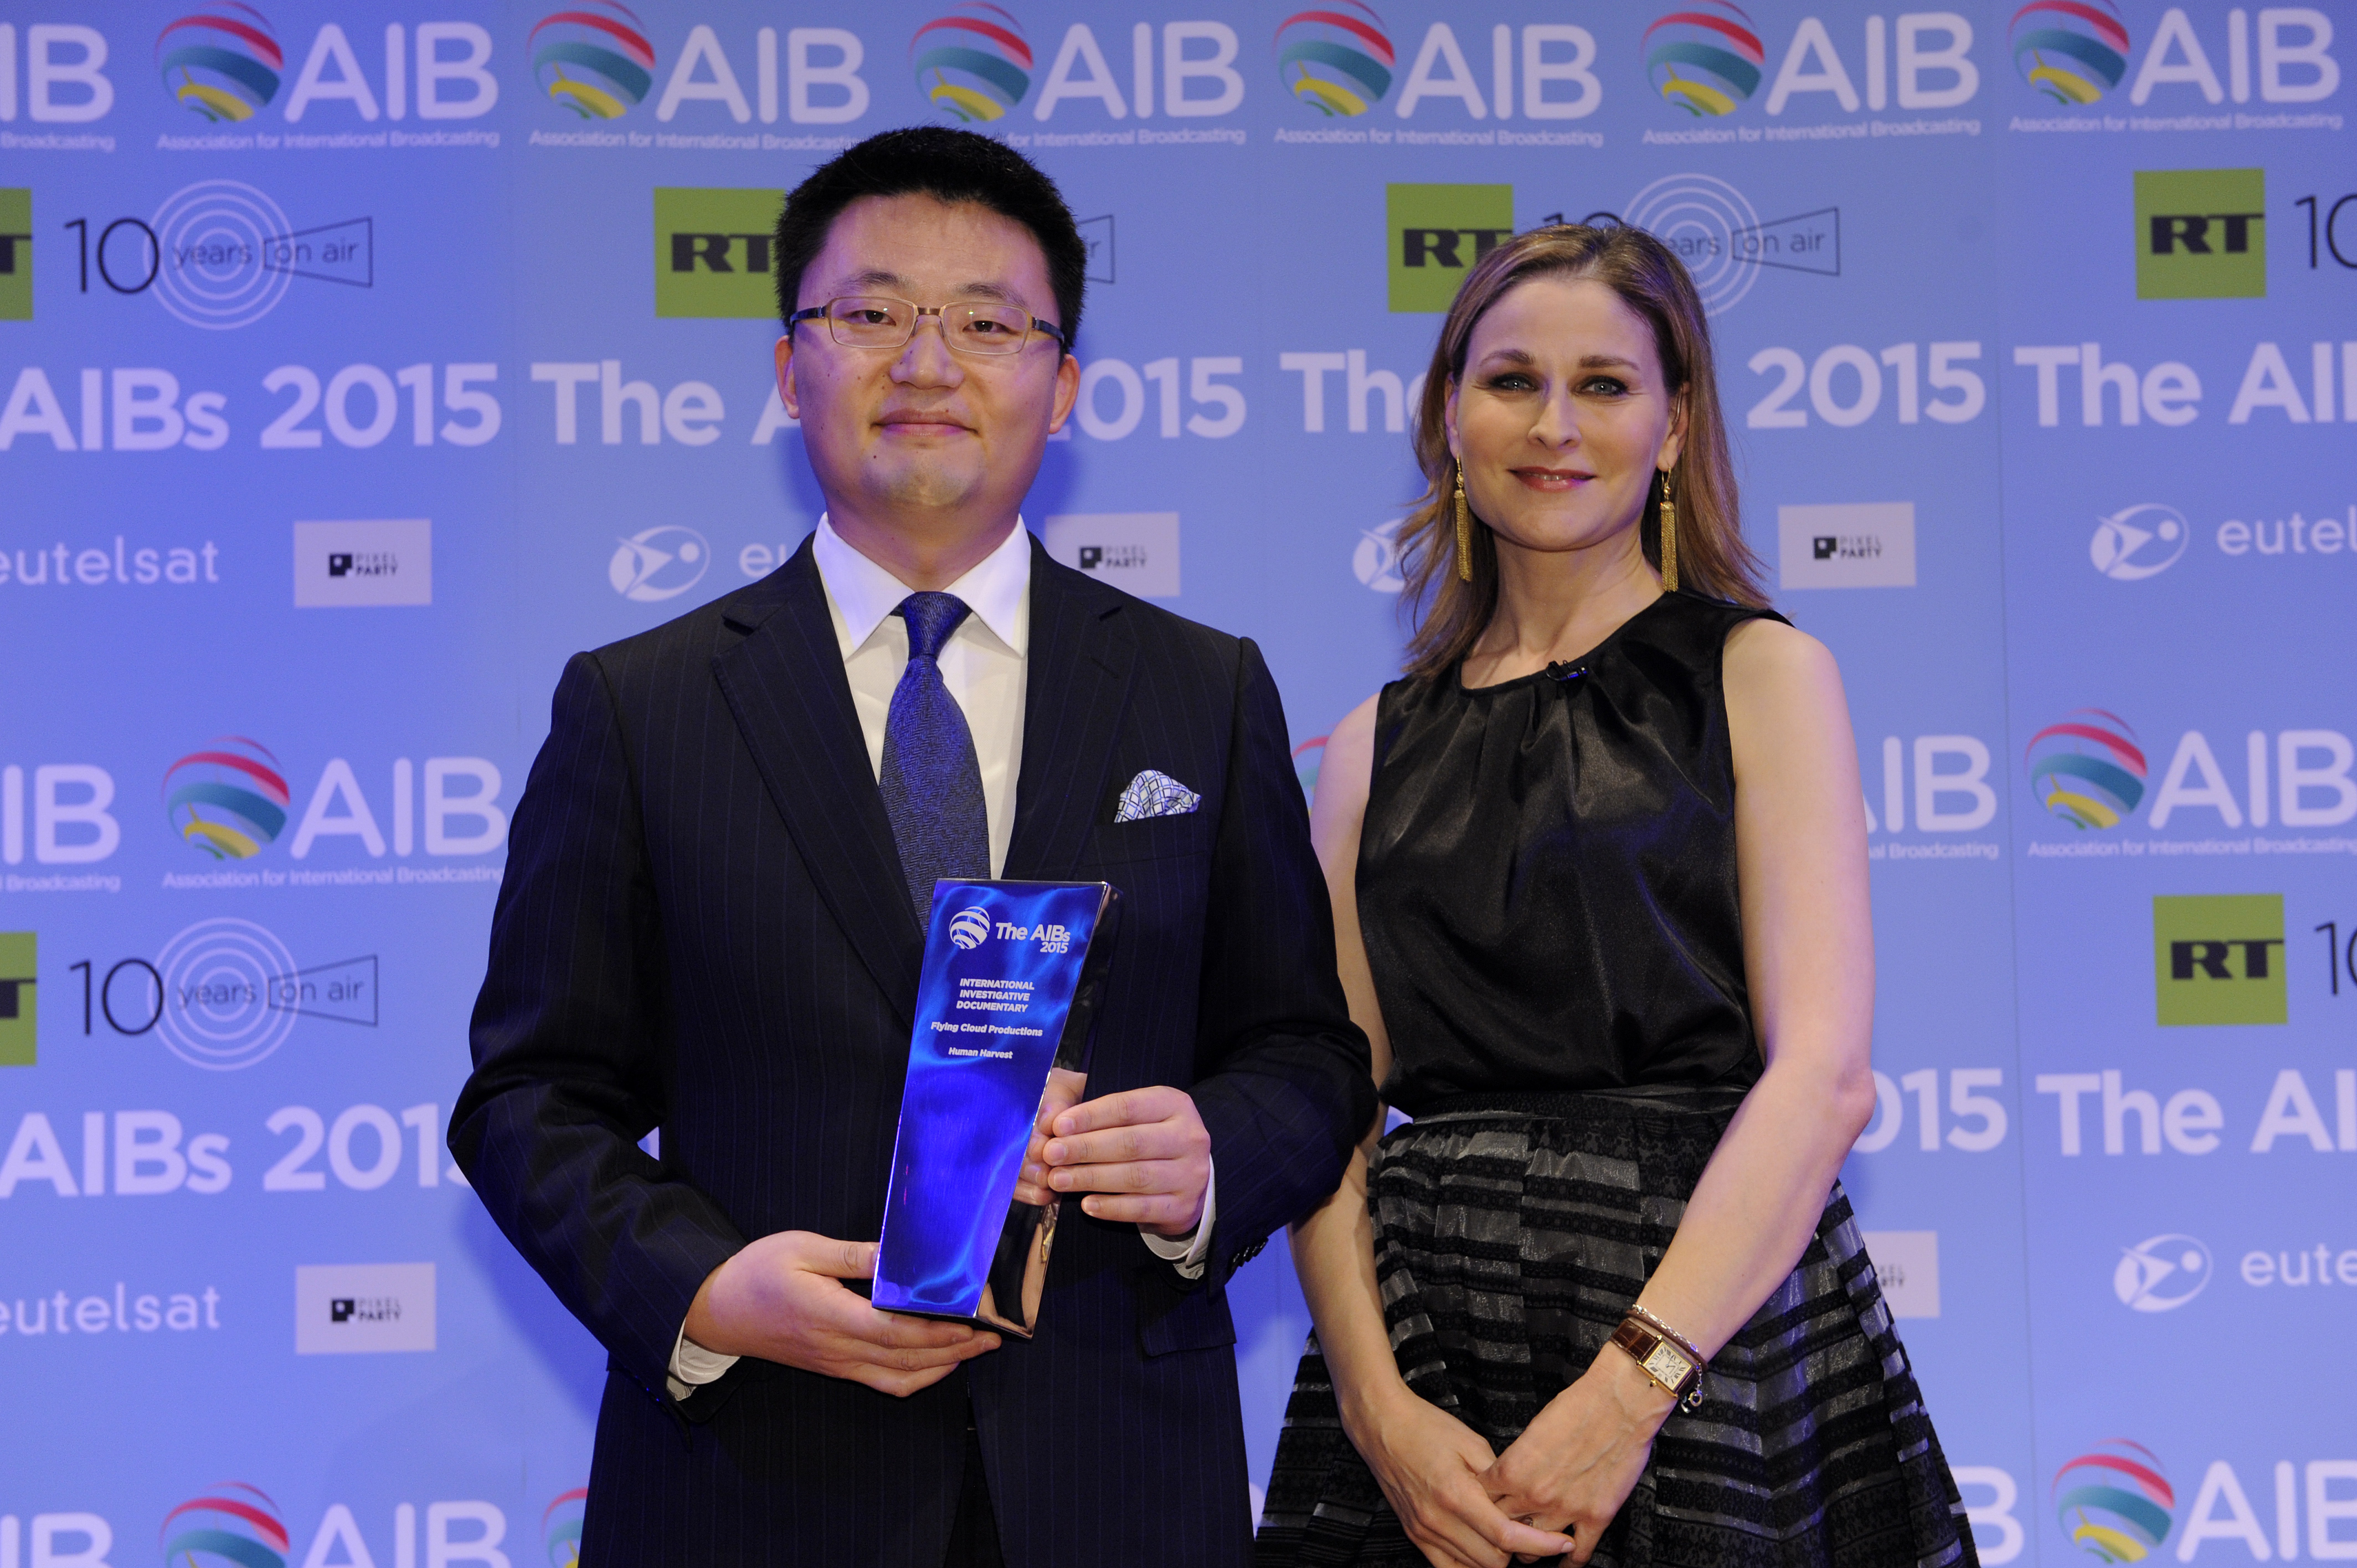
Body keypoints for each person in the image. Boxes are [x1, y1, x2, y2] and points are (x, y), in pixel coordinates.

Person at [452, 126, 1373, 1568]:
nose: (929, 362)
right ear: (787, 368)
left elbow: (1312, 1059)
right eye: (873, 314)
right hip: (755, 1484)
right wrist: (705, 1291)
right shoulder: (641, 706)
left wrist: (1212, 1159)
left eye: (989, 323)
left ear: (1062, 387)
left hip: (1116, 1486)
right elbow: (527, 1099)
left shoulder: (1206, 691)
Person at [1254, 225, 1977, 1568]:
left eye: (1603, 384)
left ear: (1672, 423)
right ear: (1448, 417)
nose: (1553, 423)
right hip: (1429, 1368)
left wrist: (1630, 1388)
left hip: (1704, 1341)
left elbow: (1821, 1078)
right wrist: (1375, 1407)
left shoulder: (1759, 674)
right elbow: (1323, 1108)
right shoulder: (1366, 744)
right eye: (1511, 379)